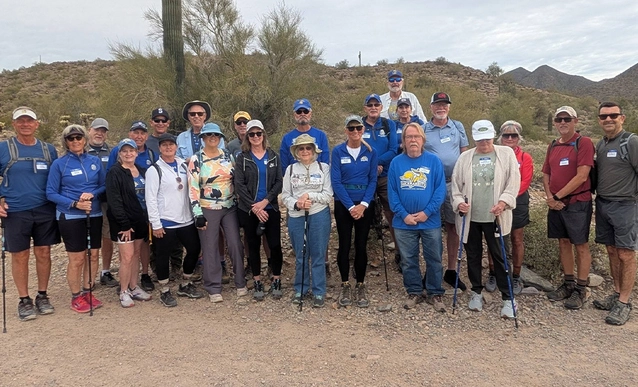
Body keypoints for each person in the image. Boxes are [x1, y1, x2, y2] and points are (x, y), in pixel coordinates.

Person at [451, 120, 520, 319]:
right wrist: (458, 203)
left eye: (488, 138)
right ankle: (476, 292)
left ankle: (508, 298)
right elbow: (456, 187)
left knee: (500, 257)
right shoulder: (465, 157)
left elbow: (513, 183)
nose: (485, 143)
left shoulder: (506, 154)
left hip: (496, 216)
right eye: (480, 139)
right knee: (473, 255)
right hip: (471, 217)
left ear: (493, 136)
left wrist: (503, 202)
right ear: (474, 139)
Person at [0, 106, 60, 321]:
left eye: (29, 121)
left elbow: (57, 177)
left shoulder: (48, 150)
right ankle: (24, 299)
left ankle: (42, 295)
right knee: (20, 255)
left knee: (44, 252)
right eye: (21, 121)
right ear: (14, 124)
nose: (25, 124)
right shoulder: (3, 148)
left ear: (36, 124)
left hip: (45, 209)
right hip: (15, 210)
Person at [46, 125, 105, 313]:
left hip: (93, 213)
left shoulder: (94, 161)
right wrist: (74, 204)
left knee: (93, 255)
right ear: (66, 142)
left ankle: (88, 291)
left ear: (85, 139)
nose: (75, 141)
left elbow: (103, 185)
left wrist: (92, 194)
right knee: (77, 258)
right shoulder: (59, 164)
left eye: (78, 137)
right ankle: (76, 296)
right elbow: (50, 193)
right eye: (71, 139)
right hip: (70, 215)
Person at [388, 122, 447, 312]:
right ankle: (414, 291)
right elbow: (392, 193)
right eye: (409, 137)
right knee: (408, 259)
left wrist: (426, 212)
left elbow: (440, 190)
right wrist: (404, 215)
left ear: (423, 140)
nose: (413, 140)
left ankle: (434, 293)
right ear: (403, 141)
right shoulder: (396, 163)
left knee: (434, 258)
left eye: (416, 136)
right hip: (404, 223)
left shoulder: (433, 161)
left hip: (429, 221)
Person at [542, 106, 594, 310]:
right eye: (558, 119)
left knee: (580, 244)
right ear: (555, 122)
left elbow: (582, 176)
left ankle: (581, 289)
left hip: (577, 202)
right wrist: (549, 197)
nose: (562, 122)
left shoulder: (584, 143)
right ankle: (568, 283)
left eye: (567, 119)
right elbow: (546, 173)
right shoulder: (553, 145)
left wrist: (556, 196)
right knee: (563, 242)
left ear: (575, 121)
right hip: (556, 203)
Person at [188, 123, 246, 303]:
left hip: (229, 206)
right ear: (203, 138)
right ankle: (213, 286)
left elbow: (236, 179)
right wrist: (197, 213)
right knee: (210, 247)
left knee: (235, 243)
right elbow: (193, 187)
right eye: (208, 135)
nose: (212, 137)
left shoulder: (228, 155)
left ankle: (240, 282)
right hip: (207, 208)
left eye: (216, 135)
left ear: (220, 137)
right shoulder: (196, 159)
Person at [592, 102, 637, 325]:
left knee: (626, 254)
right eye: (603, 116)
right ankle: (617, 293)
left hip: (626, 205)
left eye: (613, 115)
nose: (608, 119)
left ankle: (625, 303)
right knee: (611, 250)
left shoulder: (632, 141)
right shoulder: (601, 144)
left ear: (622, 118)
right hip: (603, 204)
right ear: (599, 120)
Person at [145, 133, 204, 307]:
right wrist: (156, 224)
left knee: (194, 249)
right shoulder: (154, 170)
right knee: (163, 256)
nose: (168, 148)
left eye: (171, 144)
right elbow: (151, 199)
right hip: (166, 221)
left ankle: (185, 283)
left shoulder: (184, 165)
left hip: (186, 219)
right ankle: (164, 290)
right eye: (164, 145)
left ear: (176, 146)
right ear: (159, 148)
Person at [424, 92, 469, 291]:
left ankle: (451, 270)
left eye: (444, 104)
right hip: (432, 185)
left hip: (454, 184)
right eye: (437, 104)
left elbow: (465, 154)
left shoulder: (457, 127)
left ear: (449, 107)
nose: (441, 108)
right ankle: (432, 269)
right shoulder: (424, 129)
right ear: (431, 107)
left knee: (453, 227)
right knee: (430, 227)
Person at [234, 120, 284, 301]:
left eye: (258, 133)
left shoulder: (273, 156)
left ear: (264, 135)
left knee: (274, 245)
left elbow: (279, 181)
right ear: (247, 136)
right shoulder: (243, 157)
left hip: (270, 207)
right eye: (252, 134)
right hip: (249, 209)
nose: (255, 137)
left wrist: (265, 201)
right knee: (253, 245)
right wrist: (254, 206)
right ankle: (256, 280)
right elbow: (239, 185)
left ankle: (276, 279)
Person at [331, 115, 378, 308]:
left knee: (360, 244)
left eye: (358, 128)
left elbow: (373, 180)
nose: (355, 132)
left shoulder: (370, 152)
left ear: (363, 130)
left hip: (365, 204)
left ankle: (360, 283)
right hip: (344, 204)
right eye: (351, 129)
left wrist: (363, 204)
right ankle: (344, 283)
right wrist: (351, 206)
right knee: (344, 243)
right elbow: (336, 181)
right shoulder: (338, 151)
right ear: (346, 131)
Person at [282, 134, 332, 308]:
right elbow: (285, 196)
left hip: (319, 214)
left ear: (314, 150)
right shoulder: (290, 170)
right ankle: (300, 289)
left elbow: (327, 195)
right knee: (301, 254)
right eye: (301, 148)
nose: (305, 151)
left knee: (318, 253)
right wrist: (297, 203)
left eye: (308, 148)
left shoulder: (323, 167)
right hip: (296, 216)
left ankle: (319, 290)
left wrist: (309, 196)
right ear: (296, 151)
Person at [106, 120, 157, 291]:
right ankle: (123, 291)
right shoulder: (115, 172)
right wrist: (124, 224)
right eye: (124, 151)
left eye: (131, 150)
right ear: (119, 153)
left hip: (140, 219)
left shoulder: (142, 170)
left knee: (135, 255)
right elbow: (114, 201)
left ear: (137, 152)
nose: (128, 154)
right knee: (126, 257)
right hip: (124, 223)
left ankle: (134, 287)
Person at [485, 121, 533, 295]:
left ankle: (516, 275)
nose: (510, 138)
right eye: (506, 135)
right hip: (494, 200)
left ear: (519, 138)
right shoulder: (493, 154)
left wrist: (506, 199)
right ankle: (493, 273)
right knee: (494, 237)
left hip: (517, 201)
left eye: (514, 136)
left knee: (516, 238)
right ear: (500, 137)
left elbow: (525, 181)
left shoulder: (525, 157)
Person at [146, 107, 184, 282]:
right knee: (156, 239)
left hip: (172, 195)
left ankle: (176, 268)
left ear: (168, 123)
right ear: (152, 122)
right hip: (151, 194)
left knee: (175, 239)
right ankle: (157, 271)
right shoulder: (146, 142)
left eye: (164, 120)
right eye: (157, 120)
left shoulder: (174, 141)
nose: (160, 123)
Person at [362, 93, 398, 268]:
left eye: (376, 104)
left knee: (392, 213)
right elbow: (356, 149)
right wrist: (371, 166)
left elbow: (393, 149)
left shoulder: (388, 124)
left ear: (381, 107)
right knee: (363, 216)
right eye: (370, 105)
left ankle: (400, 254)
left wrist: (378, 162)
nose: (373, 107)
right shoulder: (358, 125)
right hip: (365, 177)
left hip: (385, 176)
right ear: (365, 108)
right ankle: (362, 256)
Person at [86, 118, 118, 288]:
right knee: (88, 238)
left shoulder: (111, 152)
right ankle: (88, 274)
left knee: (107, 236)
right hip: (86, 203)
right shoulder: (81, 150)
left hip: (106, 201)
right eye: (96, 130)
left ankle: (105, 271)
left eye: (103, 131)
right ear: (89, 130)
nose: (99, 133)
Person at [279, 99, 330, 174]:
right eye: (299, 112)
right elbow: (284, 165)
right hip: (295, 179)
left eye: (305, 111)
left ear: (310, 113)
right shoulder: (287, 138)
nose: (302, 114)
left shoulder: (321, 135)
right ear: (294, 114)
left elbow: (325, 161)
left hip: (317, 178)